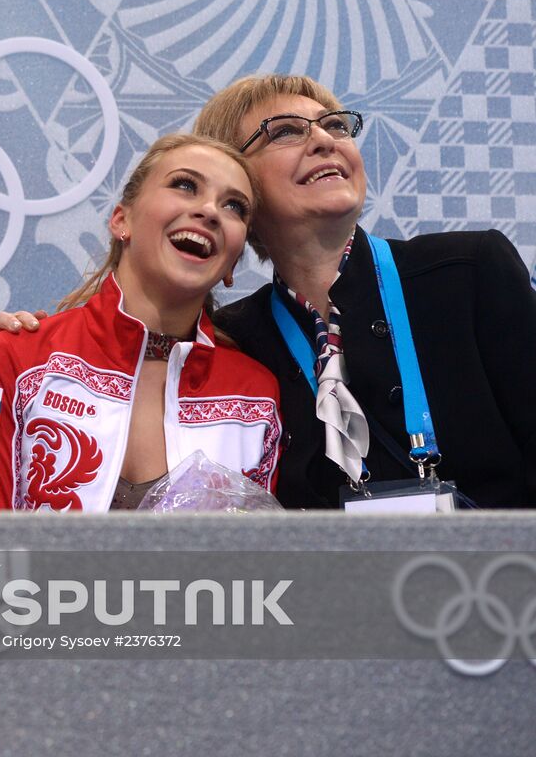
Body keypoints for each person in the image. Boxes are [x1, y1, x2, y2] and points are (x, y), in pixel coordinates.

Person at [193, 74, 536, 508]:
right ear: (236, 188)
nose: (323, 140)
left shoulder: (468, 272)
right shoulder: (233, 339)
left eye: (335, 125)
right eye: (285, 131)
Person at [0, 134, 281, 511]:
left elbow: (254, 563)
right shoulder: (14, 359)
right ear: (122, 220)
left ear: (233, 265)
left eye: (234, 206)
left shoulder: (255, 397)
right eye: (185, 185)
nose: (209, 211)